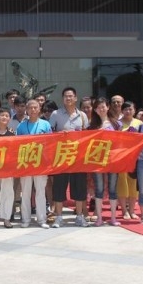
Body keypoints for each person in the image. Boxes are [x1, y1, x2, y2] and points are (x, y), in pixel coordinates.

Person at [49, 87, 89, 228]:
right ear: (63, 99)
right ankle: (59, 217)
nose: (68, 98)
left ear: (76, 98)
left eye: (71, 96)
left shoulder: (82, 116)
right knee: (59, 187)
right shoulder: (56, 114)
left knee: (79, 187)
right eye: (66, 96)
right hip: (61, 156)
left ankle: (79, 216)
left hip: (78, 157)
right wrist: (60, 134)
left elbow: (87, 135)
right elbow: (49, 134)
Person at [16, 99, 52, 229]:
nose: (33, 110)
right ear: (26, 110)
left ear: (39, 109)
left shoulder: (45, 124)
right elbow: (17, 144)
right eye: (30, 108)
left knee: (40, 192)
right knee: (25, 192)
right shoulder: (21, 126)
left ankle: (41, 219)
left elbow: (51, 142)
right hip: (25, 162)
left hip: (40, 162)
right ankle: (25, 219)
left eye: (35, 107)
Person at [88, 97, 121, 226]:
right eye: (98, 107)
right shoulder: (92, 126)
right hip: (97, 160)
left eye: (103, 106)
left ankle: (113, 217)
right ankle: (99, 218)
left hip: (113, 160)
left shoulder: (115, 124)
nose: (101, 109)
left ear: (108, 107)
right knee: (99, 189)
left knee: (113, 188)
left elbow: (121, 141)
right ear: (95, 110)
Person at [117, 101, 142, 220]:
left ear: (134, 110)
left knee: (134, 184)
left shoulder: (139, 123)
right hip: (121, 157)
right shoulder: (117, 123)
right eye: (125, 109)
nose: (128, 111)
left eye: (130, 109)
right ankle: (124, 210)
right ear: (122, 111)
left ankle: (132, 210)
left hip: (135, 158)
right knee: (122, 183)